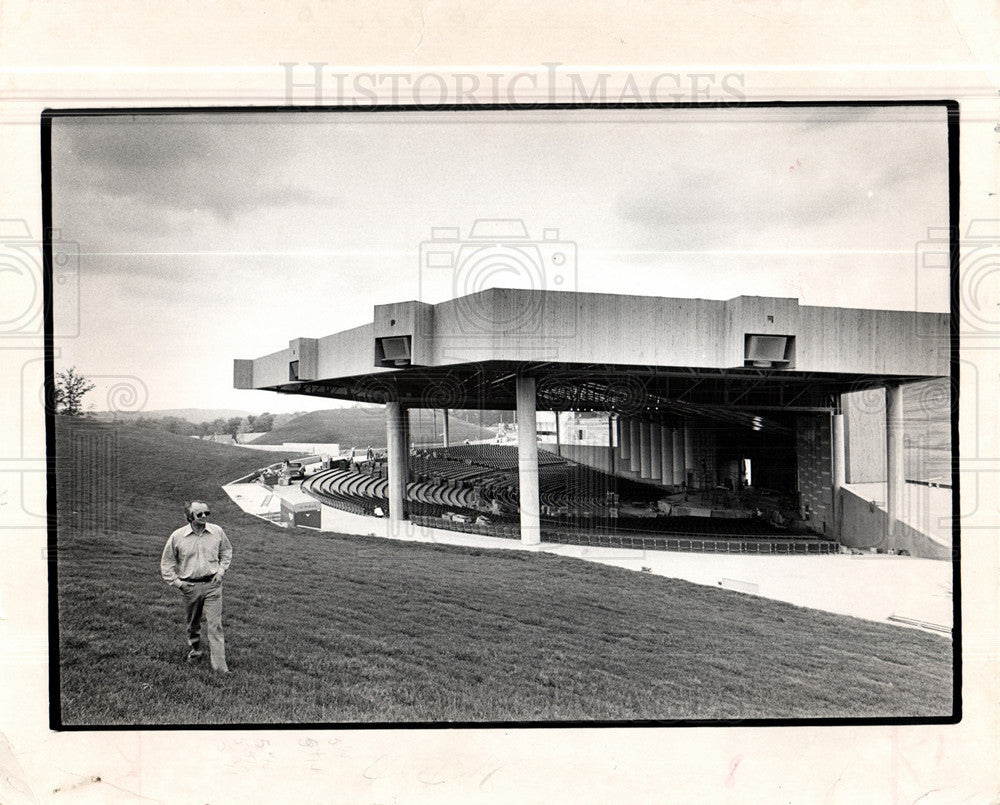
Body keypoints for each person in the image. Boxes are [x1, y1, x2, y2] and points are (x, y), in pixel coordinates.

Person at [160, 500, 233, 673]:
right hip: (190, 587)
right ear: (189, 517)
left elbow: (226, 552)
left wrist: (221, 572)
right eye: (199, 514)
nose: (204, 517)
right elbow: (167, 563)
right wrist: (178, 583)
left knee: (215, 625)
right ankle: (196, 651)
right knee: (193, 624)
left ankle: (221, 669)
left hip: (213, 585)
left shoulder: (217, 532)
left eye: (207, 513)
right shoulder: (177, 537)